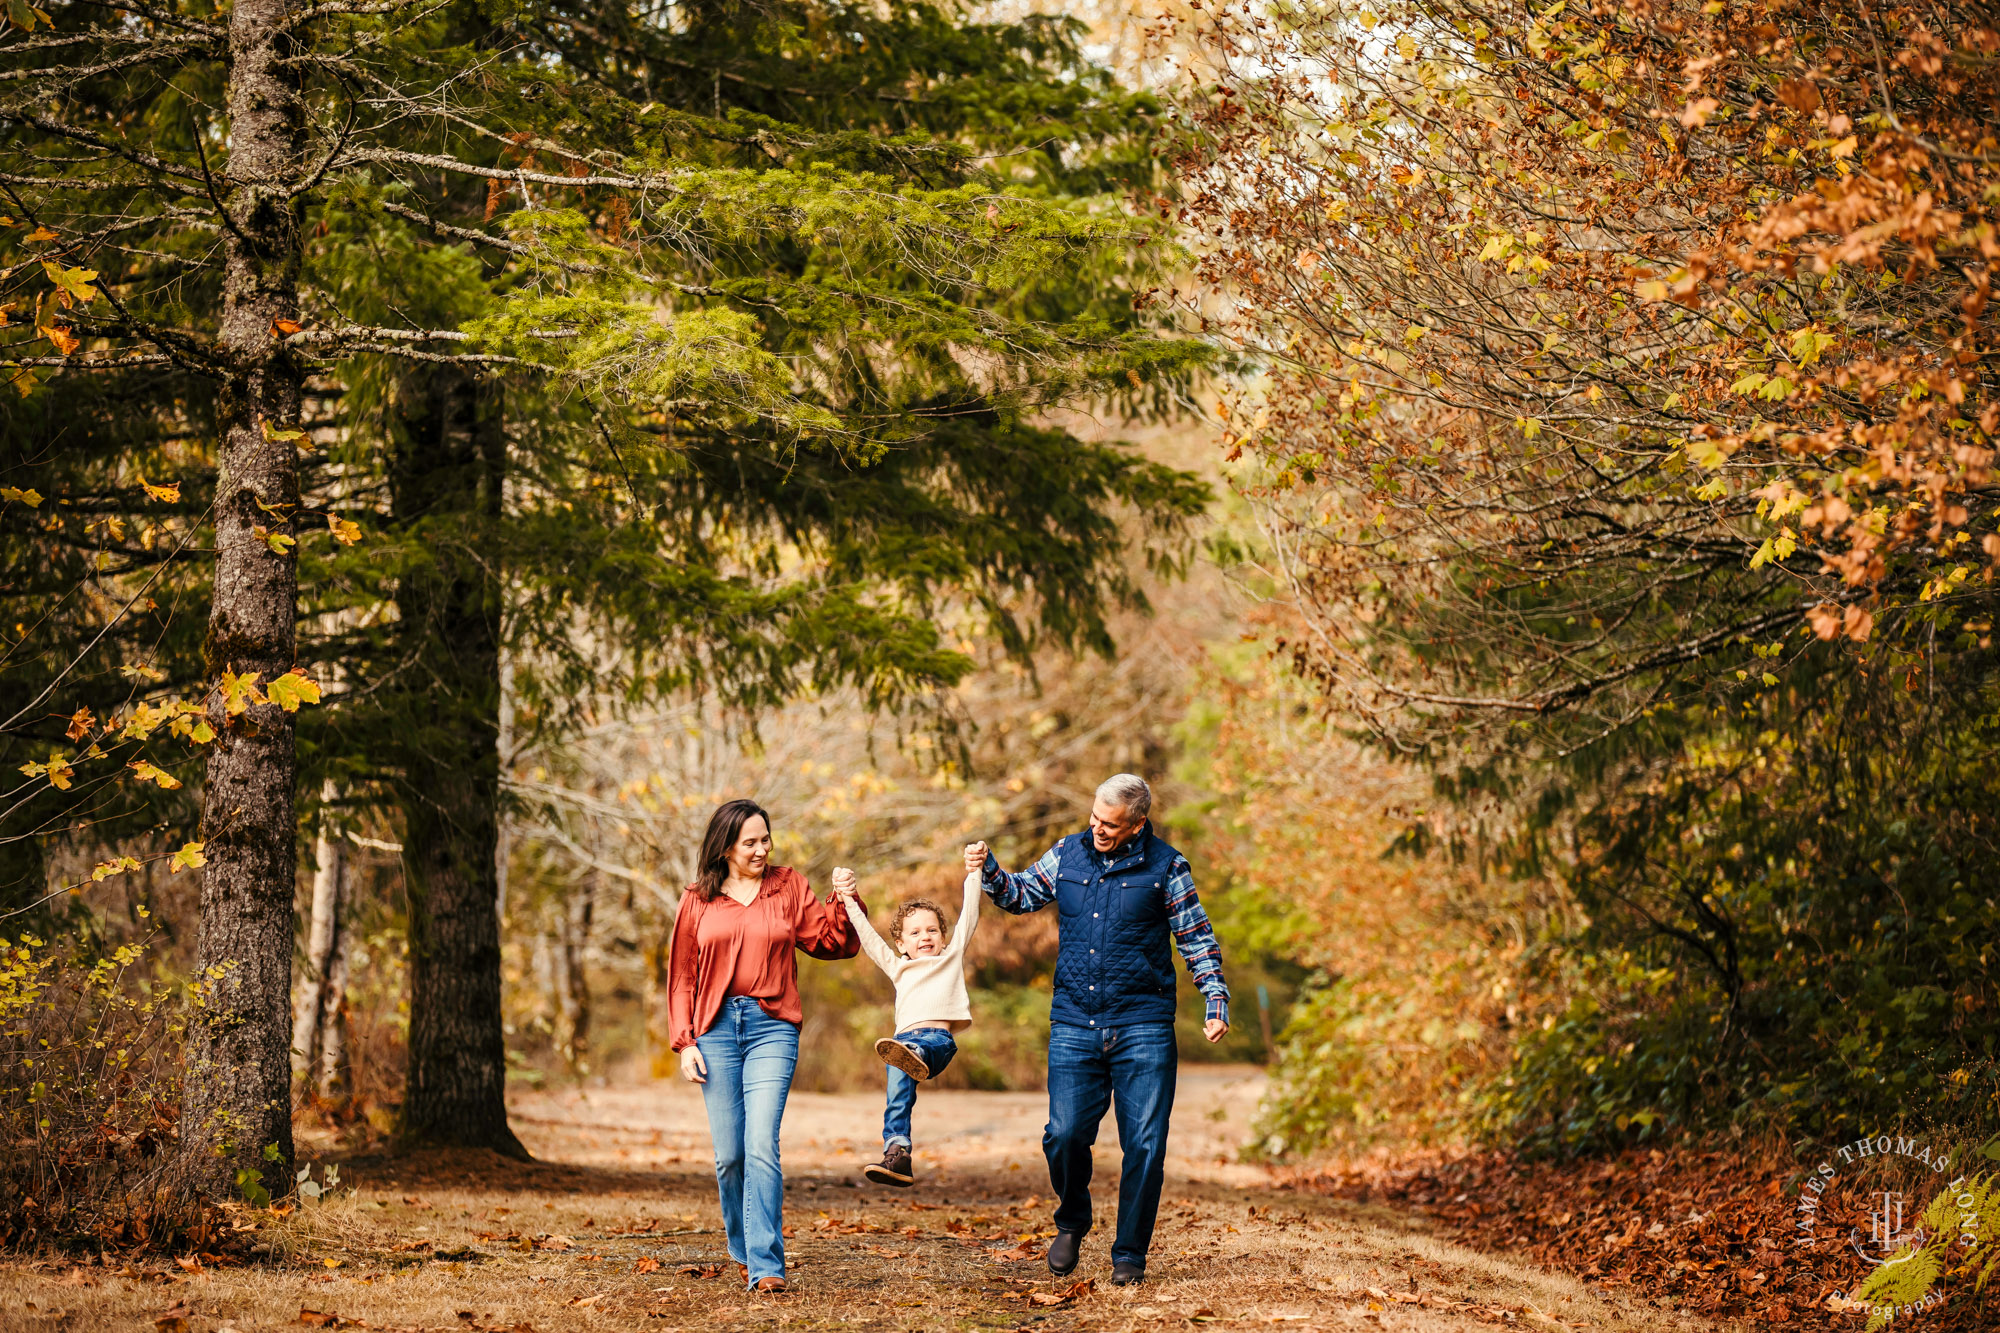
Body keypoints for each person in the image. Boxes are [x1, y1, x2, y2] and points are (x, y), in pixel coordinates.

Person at [971, 773, 1229, 1287]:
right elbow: (1021, 895)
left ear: (1137, 824)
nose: (1098, 829)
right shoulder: (1067, 853)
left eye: (1110, 824)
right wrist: (989, 870)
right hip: (1074, 1021)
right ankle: (1072, 1219)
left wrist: (1215, 998)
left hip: (1143, 1026)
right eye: (1094, 818)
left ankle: (1129, 1254)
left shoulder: (1167, 867)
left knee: (1146, 1145)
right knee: (1063, 1135)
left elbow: (1196, 938)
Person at [666, 798, 861, 1294]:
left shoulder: (788, 886)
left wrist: (846, 901)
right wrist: (685, 1041)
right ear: (726, 845)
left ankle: (766, 1264)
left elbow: (831, 942)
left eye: (765, 839)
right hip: (714, 1031)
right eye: (749, 841)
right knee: (729, 1154)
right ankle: (743, 1244)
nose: (760, 849)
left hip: (772, 1025)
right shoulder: (698, 898)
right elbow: (683, 976)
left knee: (760, 1146)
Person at [829, 850, 983, 1187]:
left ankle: (915, 1056)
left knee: (908, 1051)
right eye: (915, 933)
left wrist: (975, 872)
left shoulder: (951, 957)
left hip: (937, 1042)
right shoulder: (898, 967)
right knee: (897, 1094)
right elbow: (868, 937)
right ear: (900, 942)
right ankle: (897, 1152)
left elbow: (970, 913)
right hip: (901, 1046)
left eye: (931, 931)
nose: (925, 937)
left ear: (943, 937)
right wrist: (846, 898)